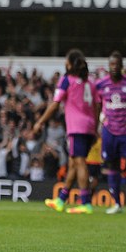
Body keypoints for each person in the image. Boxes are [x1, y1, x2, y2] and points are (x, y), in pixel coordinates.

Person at [33, 49, 100, 214]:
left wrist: (40, 122)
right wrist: (95, 128)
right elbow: (98, 106)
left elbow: (55, 104)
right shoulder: (90, 83)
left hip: (76, 127)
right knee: (72, 163)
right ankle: (61, 200)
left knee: (80, 162)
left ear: (70, 63)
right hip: (89, 126)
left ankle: (86, 203)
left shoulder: (66, 80)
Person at [95, 51, 126, 214]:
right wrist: (96, 127)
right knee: (112, 166)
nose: (114, 67)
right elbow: (97, 106)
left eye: (117, 64)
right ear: (109, 66)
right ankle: (116, 203)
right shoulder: (101, 85)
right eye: (112, 64)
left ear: (122, 66)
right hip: (110, 132)